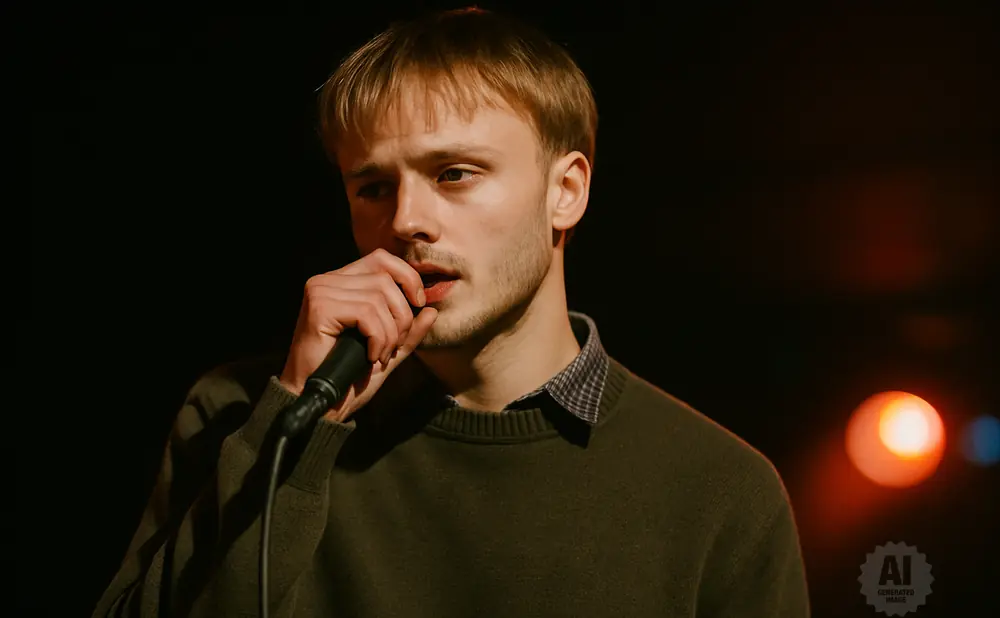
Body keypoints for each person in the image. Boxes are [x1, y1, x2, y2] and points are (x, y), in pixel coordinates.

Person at [92, 7, 810, 617]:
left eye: (454, 174)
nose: (406, 220)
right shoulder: (238, 413)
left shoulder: (719, 491)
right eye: (372, 188)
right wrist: (294, 419)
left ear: (566, 191)